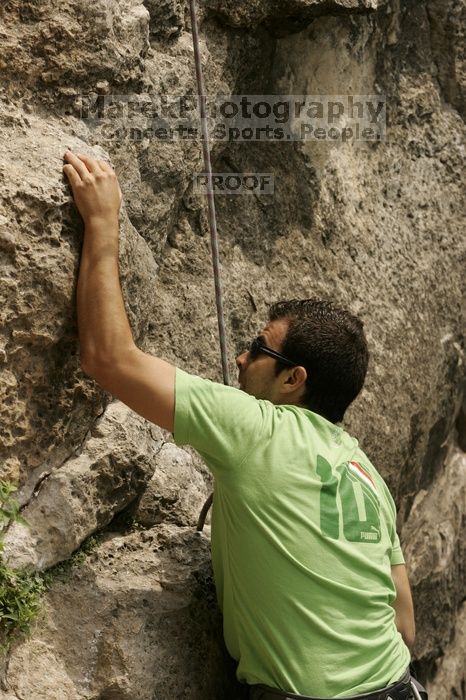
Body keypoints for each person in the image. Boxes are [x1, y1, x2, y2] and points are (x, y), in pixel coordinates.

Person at [63, 150, 420, 699]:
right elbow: (404, 626)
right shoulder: (367, 474)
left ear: (292, 379)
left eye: (258, 349)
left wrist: (103, 221)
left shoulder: (257, 428)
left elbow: (108, 358)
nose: (240, 359)